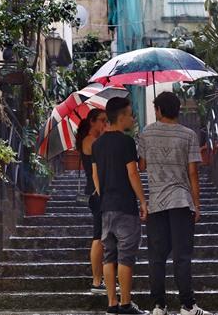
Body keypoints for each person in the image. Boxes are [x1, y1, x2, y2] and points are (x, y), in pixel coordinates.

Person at [138, 92, 211, 315]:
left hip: (156, 203)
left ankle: (159, 306)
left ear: (158, 110)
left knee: (156, 257)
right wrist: (197, 204)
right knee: (182, 256)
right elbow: (192, 173)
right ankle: (188, 306)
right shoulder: (189, 135)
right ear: (177, 109)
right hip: (181, 201)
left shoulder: (146, 133)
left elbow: (141, 166)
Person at [92, 97, 148, 315]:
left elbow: (96, 176)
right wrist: (143, 201)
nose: (133, 118)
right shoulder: (126, 142)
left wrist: (103, 195)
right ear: (121, 116)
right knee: (126, 256)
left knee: (110, 255)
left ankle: (112, 304)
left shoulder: (97, 144)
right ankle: (126, 304)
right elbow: (133, 173)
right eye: (131, 114)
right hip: (125, 206)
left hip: (106, 207)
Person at [77, 108, 109, 294]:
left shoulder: (93, 140)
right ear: (92, 121)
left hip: (97, 192)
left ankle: (101, 279)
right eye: (102, 120)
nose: (104, 123)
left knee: (102, 236)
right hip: (96, 193)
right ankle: (97, 281)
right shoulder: (91, 141)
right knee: (98, 237)